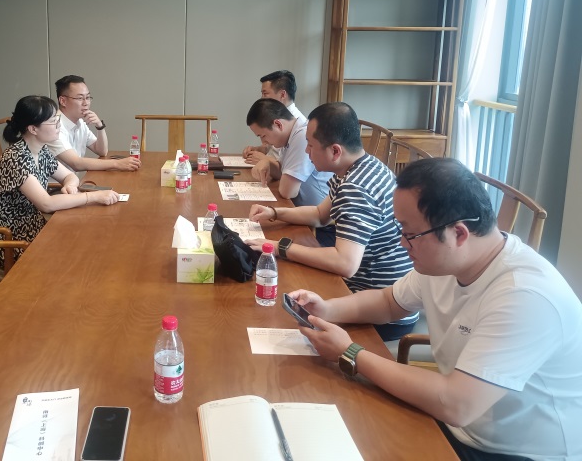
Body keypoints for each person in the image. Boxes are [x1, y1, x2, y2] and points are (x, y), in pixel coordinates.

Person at [289, 158, 582, 461]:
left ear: (459, 233)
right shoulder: (446, 261)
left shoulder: (525, 295)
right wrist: (327, 309)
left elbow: (457, 404)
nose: (402, 243)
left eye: (410, 234)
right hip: (457, 425)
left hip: (516, 451)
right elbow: (389, 302)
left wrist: (350, 352)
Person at [248, 102, 416, 340]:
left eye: (311, 145)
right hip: (369, 294)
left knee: (275, 307)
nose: (307, 151)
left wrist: (281, 247)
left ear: (335, 151)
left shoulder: (356, 187)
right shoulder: (360, 167)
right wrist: (275, 213)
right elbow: (319, 215)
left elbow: (345, 263)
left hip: (380, 312)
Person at [0, 95, 119, 269]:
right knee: (77, 253)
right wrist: (93, 197)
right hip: (7, 240)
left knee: (85, 241)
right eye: (53, 121)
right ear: (33, 129)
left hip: (32, 227)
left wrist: (70, 185)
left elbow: (69, 176)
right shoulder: (16, 158)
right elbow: (46, 204)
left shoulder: (41, 150)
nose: (58, 124)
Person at [245, 98, 331, 206]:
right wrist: (268, 163)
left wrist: (269, 163)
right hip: (301, 208)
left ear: (278, 124)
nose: (263, 142)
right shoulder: (289, 136)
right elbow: (282, 172)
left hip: (318, 213)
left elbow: (288, 192)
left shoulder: (302, 136)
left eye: (263, 136)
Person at [47, 75, 141, 172]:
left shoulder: (80, 122)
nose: (86, 103)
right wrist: (117, 164)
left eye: (88, 97)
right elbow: (76, 163)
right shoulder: (53, 126)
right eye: (80, 98)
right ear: (63, 101)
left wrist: (99, 126)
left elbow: (102, 151)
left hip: (72, 180)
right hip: (57, 182)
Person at [242, 70, 307, 164]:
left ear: (282, 94)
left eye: (265, 94)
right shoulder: (277, 117)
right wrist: (258, 150)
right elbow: (275, 151)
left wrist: (265, 160)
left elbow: (286, 163)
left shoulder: (299, 129)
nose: (261, 98)